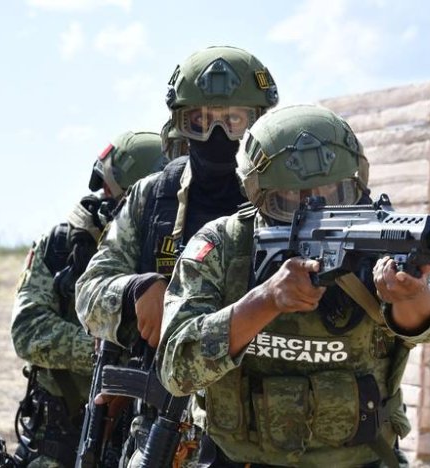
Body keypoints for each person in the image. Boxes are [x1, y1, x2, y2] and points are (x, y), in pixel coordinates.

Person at [157, 104, 430, 468]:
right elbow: (176, 370)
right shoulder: (224, 245)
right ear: (260, 195)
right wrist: (266, 301)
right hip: (238, 458)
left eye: (333, 192)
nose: (316, 206)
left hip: (360, 459)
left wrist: (412, 297)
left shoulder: (378, 235)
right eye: (292, 199)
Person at [74, 45, 279, 467]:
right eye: (201, 121)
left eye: (234, 120)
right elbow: (88, 295)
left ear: (260, 123)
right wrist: (135, 291)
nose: (218, 135)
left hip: (264, 431)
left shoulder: (285, 200)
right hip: (167, 431)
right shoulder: (154, 197)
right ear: (181, 124)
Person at [9, 131, 169, 468]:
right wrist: (108, 357)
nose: (101, 198)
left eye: (111, 191)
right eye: (104, 190)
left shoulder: (170, 255)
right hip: (62, 436)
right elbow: (27, 329)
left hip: (147, 438)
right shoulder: (61, 247)